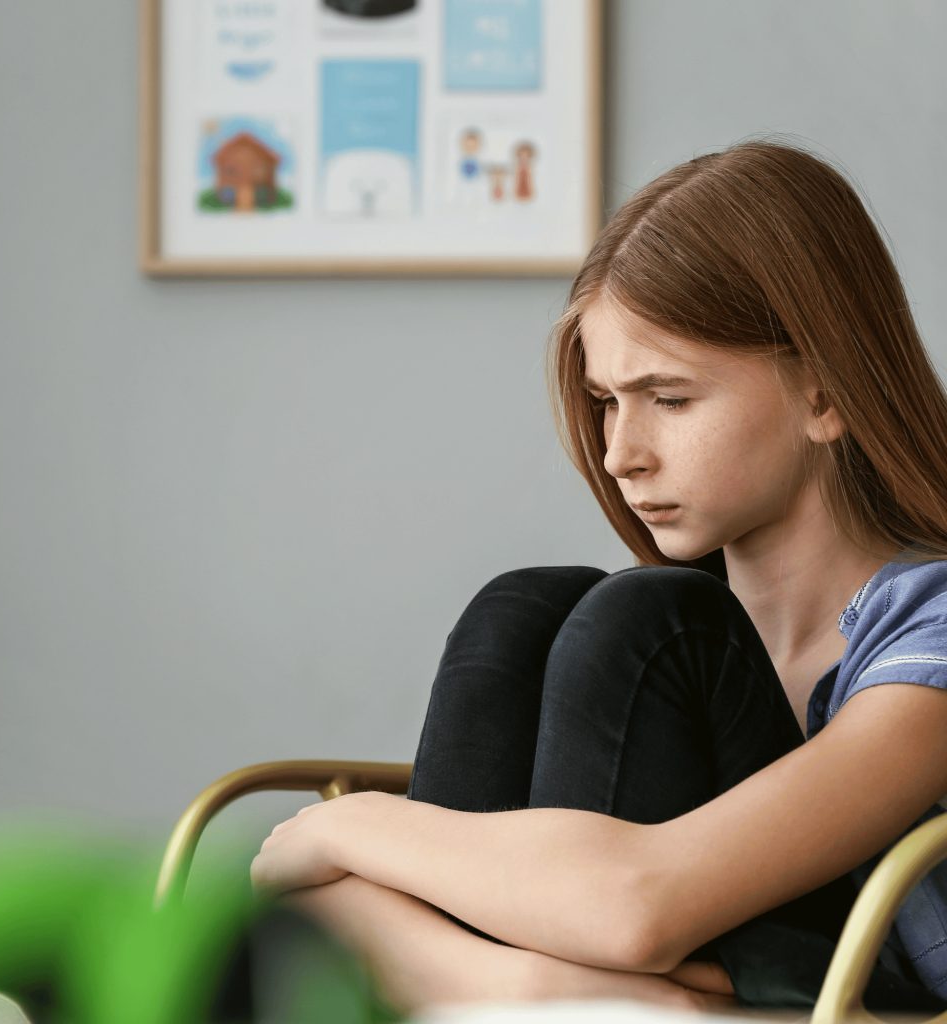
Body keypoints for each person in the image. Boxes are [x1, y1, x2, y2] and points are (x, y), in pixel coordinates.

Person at [250, 137, 947, 1018]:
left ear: (822, 393)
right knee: (522, 606)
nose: (621, 454)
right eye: (608, 402)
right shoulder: (636, 648)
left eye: (671, 399)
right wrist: (540, 987)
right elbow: (327, 920)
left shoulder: (928, 640)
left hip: (854, 1003)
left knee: (652, 620)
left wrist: (344, 827)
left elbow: (634, 909)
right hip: (637, 991)